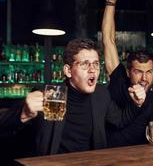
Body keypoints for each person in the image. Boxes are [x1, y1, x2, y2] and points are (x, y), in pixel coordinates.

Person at [0, 38, 142, 158]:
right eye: (85, 64)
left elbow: (120, 120)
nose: (92, 69)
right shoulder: (49, 95)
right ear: (68, 71)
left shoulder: (101, 94)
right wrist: (24, 112)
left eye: (96, 64)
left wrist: (136, 103)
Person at [102, 0, 153, 147]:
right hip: (107, 156)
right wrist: (111, 2)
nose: (144, 78)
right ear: (128, 72)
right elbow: (108, 40)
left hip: (139, 159)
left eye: (149, 72)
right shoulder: (119, 81)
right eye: (138, 71)